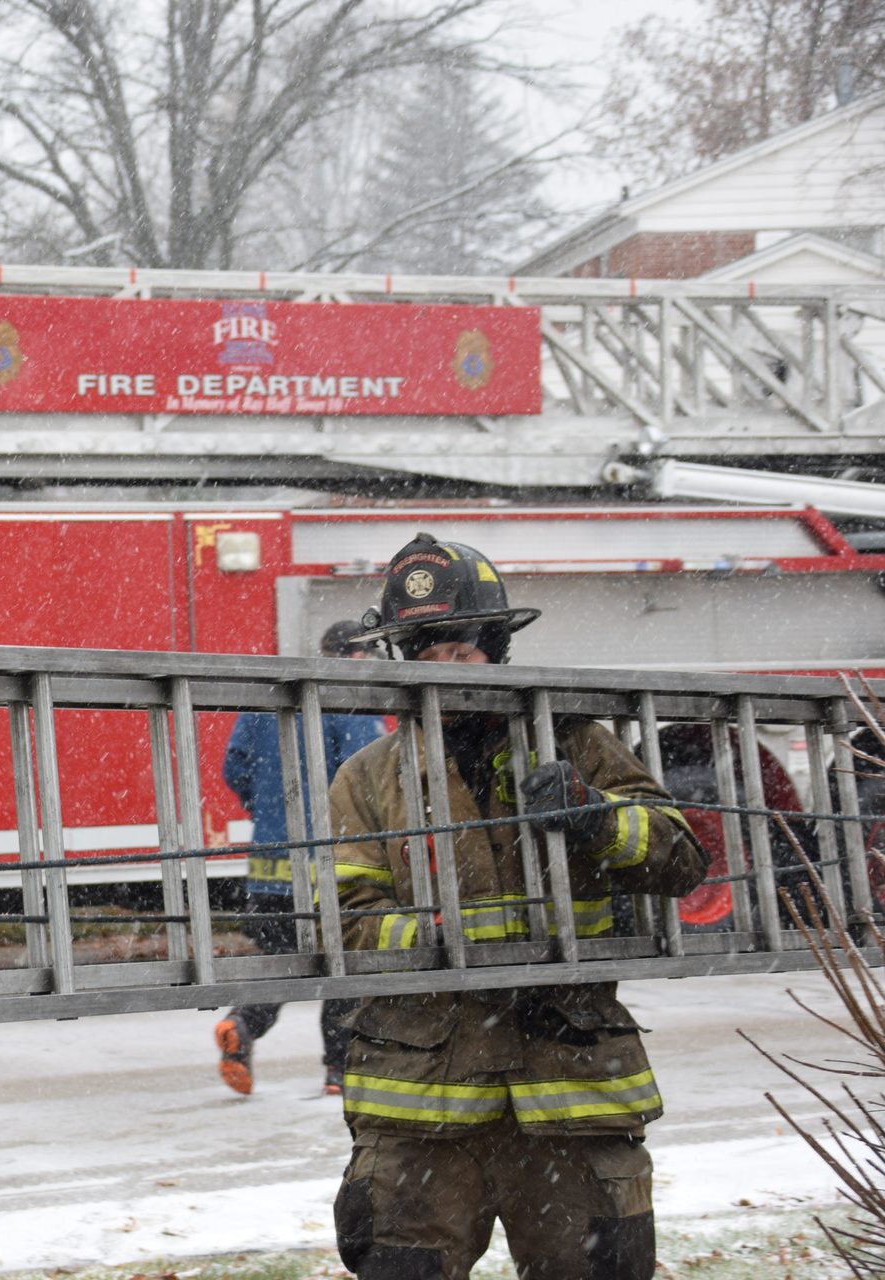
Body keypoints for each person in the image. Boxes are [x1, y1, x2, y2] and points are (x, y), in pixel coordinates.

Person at [327, 532, 704, 1280]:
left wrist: (596, 815)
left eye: (460, 651)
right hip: (419, 1108)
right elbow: (346, 918)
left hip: (568, 1086)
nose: (445, 671)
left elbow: (682, 857)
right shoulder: (369, 776)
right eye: (425, 653)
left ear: (496, 649)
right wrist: (445, 943)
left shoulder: (577, 743)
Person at [213, 620, 385, 1097]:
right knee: (343, 966)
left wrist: (269, 812)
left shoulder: (269, 696)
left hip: (270, 867)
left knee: (282, 960)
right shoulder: (347, 697)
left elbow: (234, 766)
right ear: (355, 657)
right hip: (330, 864)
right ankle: (340, 1069)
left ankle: (242, 1026)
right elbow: (368, 772)